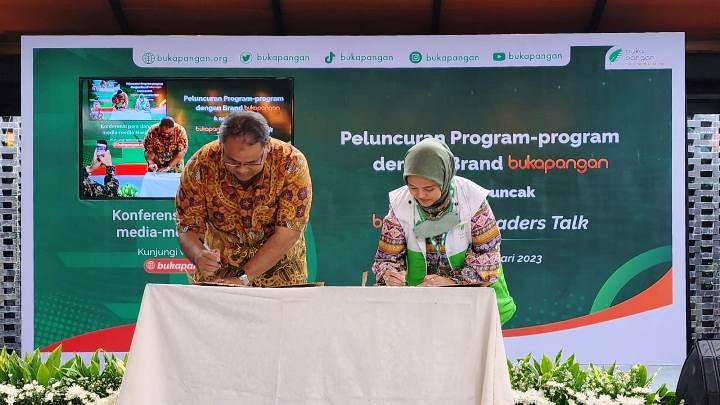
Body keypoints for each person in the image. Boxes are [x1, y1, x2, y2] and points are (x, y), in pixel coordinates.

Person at [371, 138, 516, 324]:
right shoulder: (399, 204)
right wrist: (391, 274)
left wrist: (452, 282)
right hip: (421, 307)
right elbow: (387, 258)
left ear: (445, 178)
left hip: (471, 307)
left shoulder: (472, 199)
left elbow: (487, 255)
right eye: (413, 187)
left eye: (429, 188)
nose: (420, 195)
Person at [175, 111, 312, 287]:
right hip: (220, 275)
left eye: (252, 162)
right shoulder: (200, 165)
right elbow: (187, 227)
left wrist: (243, 278)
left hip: (280, 273)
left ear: (267, 146)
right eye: (232, 161)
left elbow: (288, 233)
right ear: (221, 145)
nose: (242, 169)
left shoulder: (291, 163)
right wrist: (199, 254)